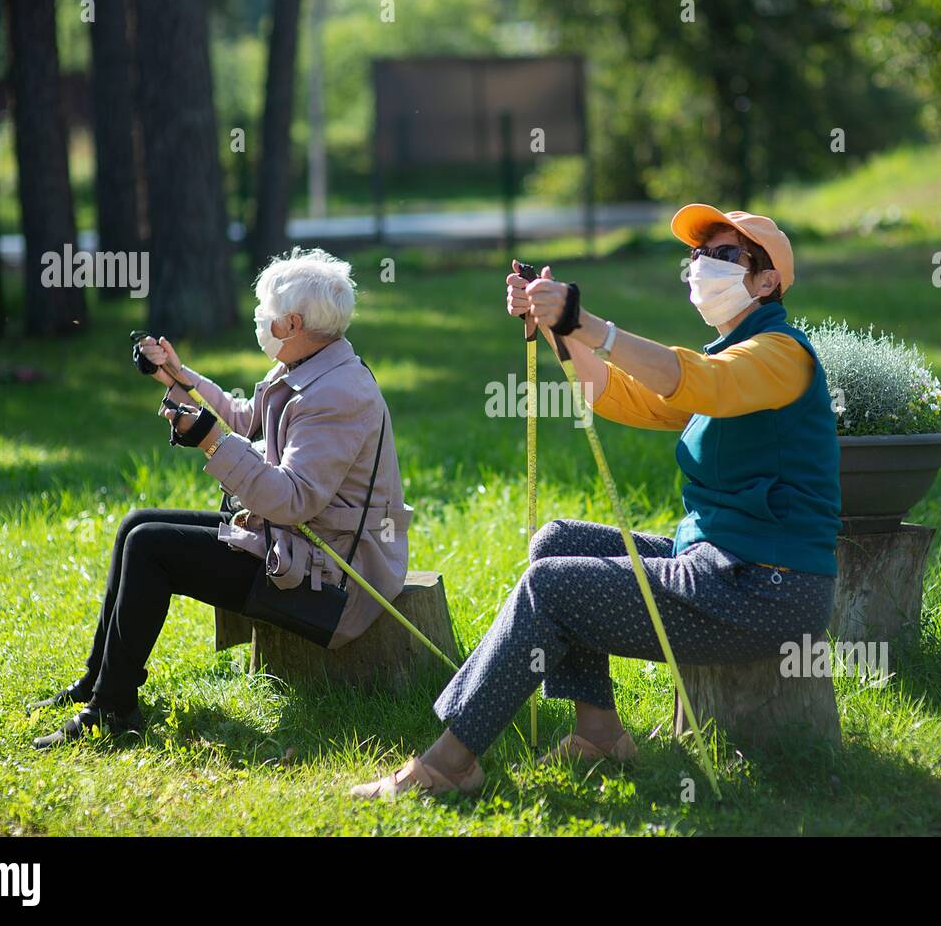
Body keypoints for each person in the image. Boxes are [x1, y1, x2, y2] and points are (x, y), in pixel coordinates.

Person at [351, 204, 840, 798]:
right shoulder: (731, 352)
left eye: (724, 255)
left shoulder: (778, 354)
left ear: (767, 282)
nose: (703, 265)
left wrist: (587, 322)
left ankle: (450, 763)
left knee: (551, 585)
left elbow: (694, 381)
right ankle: (600, 735)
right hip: (722, 566)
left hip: (766, 589)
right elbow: (620, 396)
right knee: (556, 542)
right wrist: (560, 327)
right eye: (698, 254)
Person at [30, 248, 411, 749]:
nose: (259, 319)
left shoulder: (336, 394)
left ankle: (112, 711)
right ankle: (100, 681)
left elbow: (293, 500)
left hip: (333, 579)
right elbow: (246, 419)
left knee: (151, 548)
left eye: (265, 313)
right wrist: (179, 378)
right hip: (298, 545)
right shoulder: (312, 363)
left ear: (291, 323)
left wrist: (210, 440)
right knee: (136, 525)